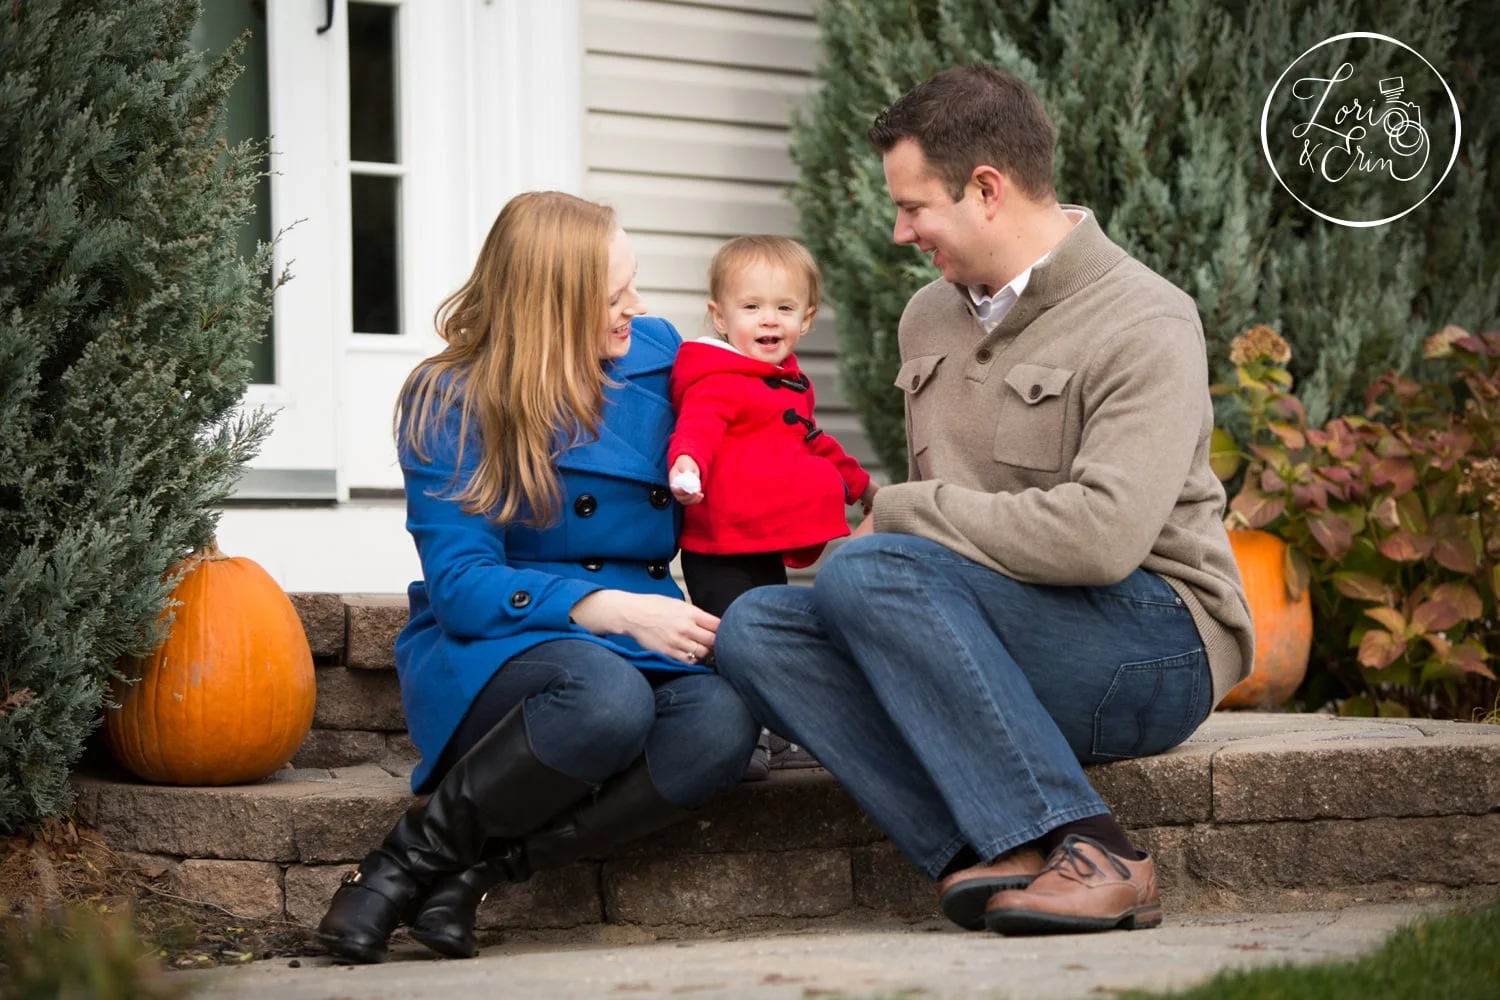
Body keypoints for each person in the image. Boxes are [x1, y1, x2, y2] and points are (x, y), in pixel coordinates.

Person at [713, 65, 1254, 936]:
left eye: (915, 206)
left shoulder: (1146, 319)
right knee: (758, 630)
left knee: (870, 571)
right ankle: (991, 850)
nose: (899, 232)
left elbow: (1103, 539)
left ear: (987, 189)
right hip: (993, 625)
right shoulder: (928, 316)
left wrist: (899, 513)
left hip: (1154, 640)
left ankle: (1099, 847)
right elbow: (942, 558)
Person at [316, 191, 760, 964]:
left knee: (722, 724)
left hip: (641, 634)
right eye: (614, 296)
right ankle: (396, 867)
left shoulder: (658, 362)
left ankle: (480, 877)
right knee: (605, 698)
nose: (640, 308)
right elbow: (462, 584)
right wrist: (608, 606)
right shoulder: (453, 396)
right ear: (551, 305)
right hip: (499, 648)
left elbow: (755, 418)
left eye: (634, 286)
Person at [667, 236, 876, 778]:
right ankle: (741, 738)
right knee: (733, 637)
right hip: (720, 541)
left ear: (805, 320)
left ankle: (779, 735)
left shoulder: (785, 382)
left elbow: (813, 440)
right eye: (751, 307)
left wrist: (861, 487)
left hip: (763, 539)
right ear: (719, 316)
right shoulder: (720, 379)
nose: (769, 320)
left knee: (767, 637)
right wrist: (687, 466)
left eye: (784, 308)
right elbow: (698, 427)